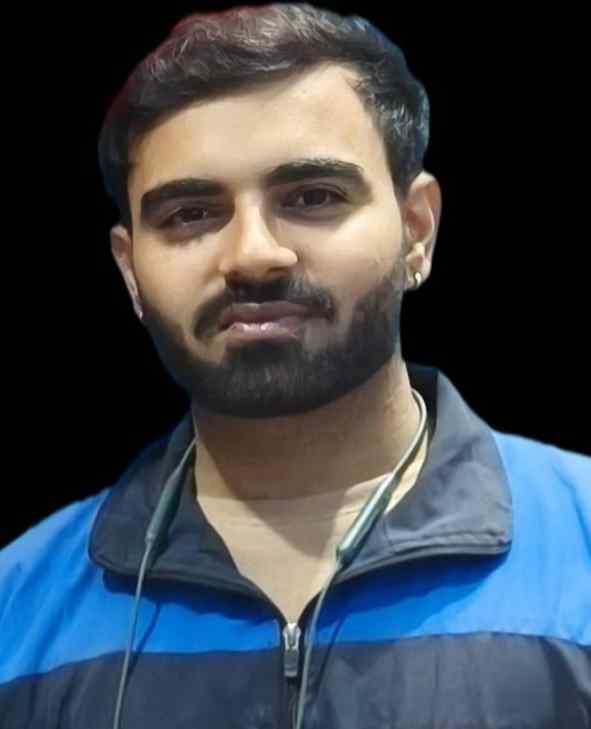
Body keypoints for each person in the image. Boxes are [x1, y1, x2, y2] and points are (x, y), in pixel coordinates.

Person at [1, 4, 590, 728]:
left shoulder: (581, 549)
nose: (252, 255)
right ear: (130, 270)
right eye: (190, 214)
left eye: (312, 198)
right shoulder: (18, 609)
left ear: (417, 230)